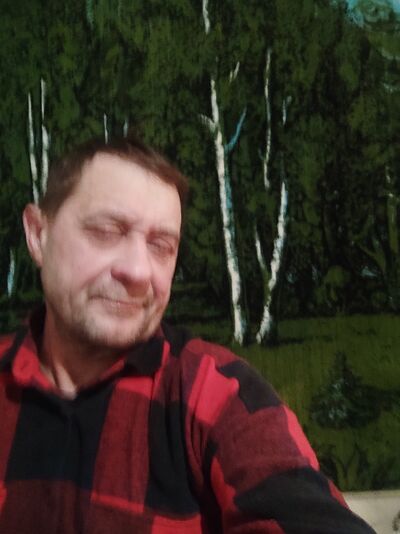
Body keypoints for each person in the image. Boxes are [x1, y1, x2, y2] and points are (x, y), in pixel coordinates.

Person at [0, 136, 374, 533]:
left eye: (161, 246)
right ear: (38, 234)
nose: (139, 272)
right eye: (107, 231)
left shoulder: (215, 392)